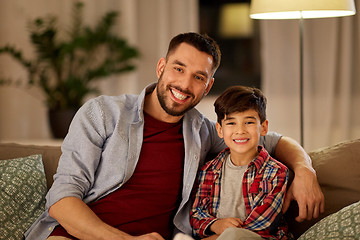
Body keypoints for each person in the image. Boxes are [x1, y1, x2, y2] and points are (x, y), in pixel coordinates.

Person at [25, 32, 324, 240]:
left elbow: (271, 140)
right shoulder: (103, 113)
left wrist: (304, 170)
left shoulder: (204, 132)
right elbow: (62, 199)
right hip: (76, 234)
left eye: (198, 77)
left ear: (208, 87)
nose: (184, 84)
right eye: (178, 68)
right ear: (161, 66)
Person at [190, 86, 292, 239]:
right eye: (231, 123)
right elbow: (197, 214)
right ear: (219, 130)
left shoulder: (276, 172)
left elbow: (262, 225)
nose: (240, 130)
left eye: (249, 122)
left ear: (263, 128)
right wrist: (215, 224)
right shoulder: (208, 171)